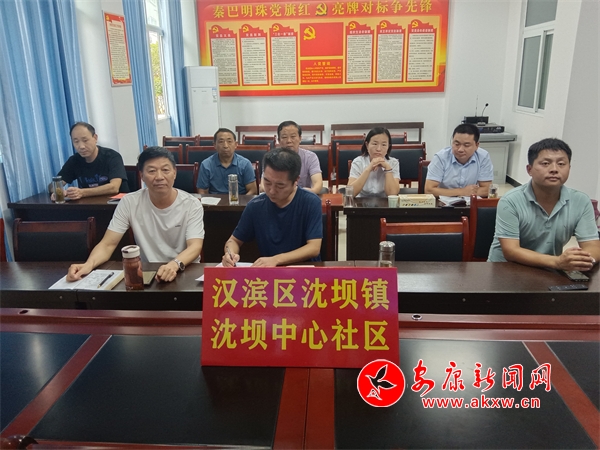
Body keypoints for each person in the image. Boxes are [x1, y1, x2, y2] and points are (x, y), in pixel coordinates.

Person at [67, 147, 204, 283]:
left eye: (165, 170)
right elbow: (108, 244)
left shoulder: (191, 204)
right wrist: (89, 264)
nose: (159, 177)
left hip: (185, 269)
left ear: (174, 173)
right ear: (142, 176)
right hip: (149, 273)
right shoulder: (129, 202)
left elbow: (195, 247)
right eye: (151, 171)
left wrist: (174, 265)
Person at [488, 138, 600, 270]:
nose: (554, 169)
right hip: (506, 270)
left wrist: (584, 260)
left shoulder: (581, 201)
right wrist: (557, 262)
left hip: (549, 270)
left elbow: (592, 245)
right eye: (545, 163)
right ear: (529, 169)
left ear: (569, 168)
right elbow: (511, 251)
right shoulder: (511, 200)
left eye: (561, 164)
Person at [222, 148, 322, 267]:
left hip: (304, 271)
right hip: (269, 272)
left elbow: (314, 248)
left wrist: (276, 260)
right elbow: (233, 241)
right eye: (267, 182)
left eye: (280, 185)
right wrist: (230, 253)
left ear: (296, 180)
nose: (272, 191)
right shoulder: (255, 205)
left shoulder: (310, 202)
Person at [49, 122, 129, 200]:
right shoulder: (74, 161)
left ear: (95, 138)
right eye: (76, 142)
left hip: (116, 205)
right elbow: (53, 185)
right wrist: (58, 191)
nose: (81, 146)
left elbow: (114, 187)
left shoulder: (112, 156)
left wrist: (82, 192)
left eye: (85, 140)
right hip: (88, 205)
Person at [425, 123, 493, 197]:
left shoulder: (483, 157)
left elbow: (487, 189)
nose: (460, 149)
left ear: (476, 145)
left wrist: (466, 193)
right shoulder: (441, 157)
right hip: (443, 202)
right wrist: (462, 192)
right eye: (457, 144)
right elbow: (429, 190)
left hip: (470, 202)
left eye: (466, 145)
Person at [196, 128, 257, 195]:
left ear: (236, 144)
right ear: (214, 145)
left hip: (240, 200)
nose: (225, 146)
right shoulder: (206, 165)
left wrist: (240, 201)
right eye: (221, 142)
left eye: (229, 141)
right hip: (214, 200)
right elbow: (202, 191)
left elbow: (252, 190)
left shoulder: (245, 164)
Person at [347, 127, 400, 198]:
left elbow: (392, 194)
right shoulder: (358, 162)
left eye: (384, 145)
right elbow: (350, 193)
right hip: (362, 202)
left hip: (384, 202)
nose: (378, 149)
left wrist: (388, 169)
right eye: (375, 144)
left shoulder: (393, 163)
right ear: (367, 145)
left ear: (388, 147)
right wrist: (368, 169)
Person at [277, 120, 324, 194]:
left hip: (304, 195)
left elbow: (318, 184)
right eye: (284, 137)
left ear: (300, 138)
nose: (289, 141)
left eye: (293, 136)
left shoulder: (310, 157)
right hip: (280, 196)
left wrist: (308, 193)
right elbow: (263, 186)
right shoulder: (272, 159)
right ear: (279, 140)